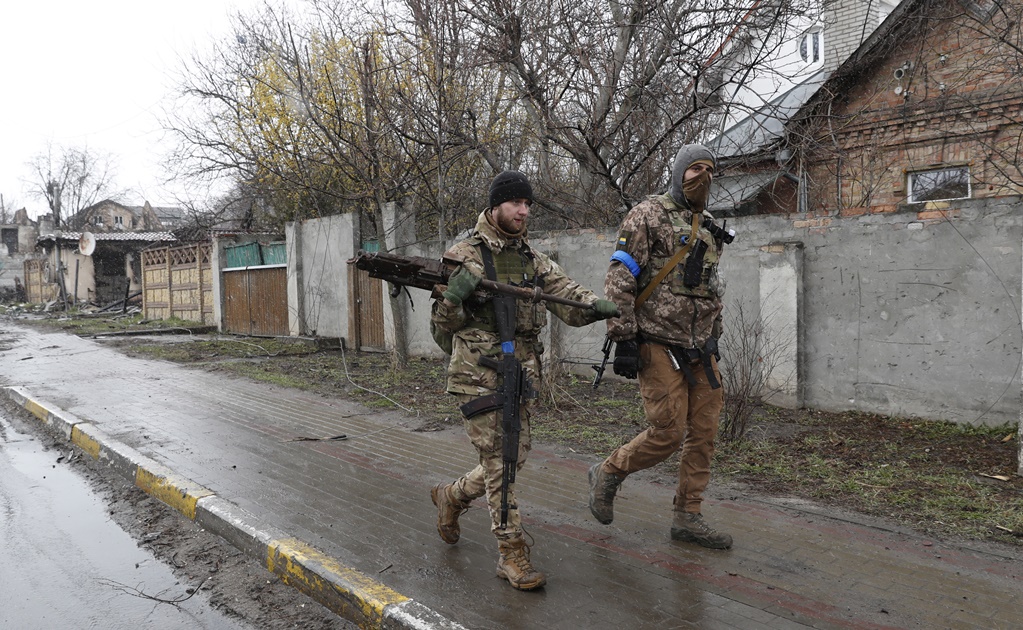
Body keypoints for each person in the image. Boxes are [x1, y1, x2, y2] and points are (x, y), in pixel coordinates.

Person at [429, 170, 618, 590]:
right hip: (478, 377)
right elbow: (441, 327)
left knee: (511, 458)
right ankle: (511, 552)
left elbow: (565, 293)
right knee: (502, 461)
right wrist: (454, 296)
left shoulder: (532, 259)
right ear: (496, 205)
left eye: (528, 204)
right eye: (516, 202)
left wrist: (595, 306)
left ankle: (452, 496)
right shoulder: (464, 255)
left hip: (519, 375)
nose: (524, 210)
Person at [588, 143, 733, 549]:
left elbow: (711, 287)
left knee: (703, 432)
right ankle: (609, 472)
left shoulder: (709, 226)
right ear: (678, 172)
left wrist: (715, 333)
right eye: (694, 169)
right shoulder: (648, 214)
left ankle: (688, 516)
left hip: (700, 347)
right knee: (669, 431)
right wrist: (625, 337)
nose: (701, 177)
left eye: (709, 169)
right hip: (656, 339)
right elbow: (620, 277)